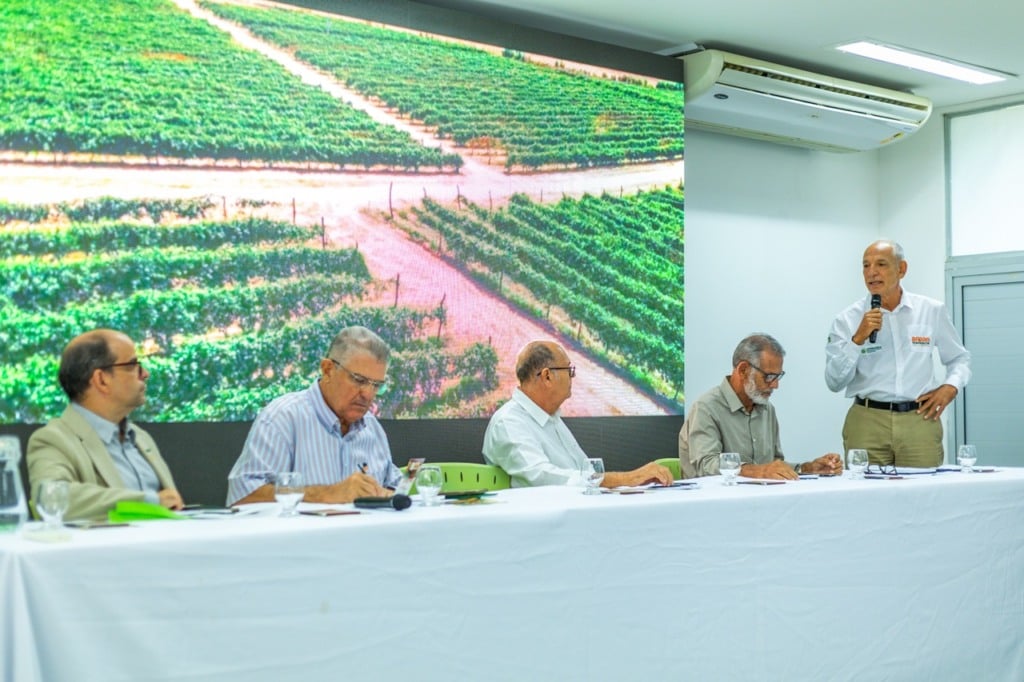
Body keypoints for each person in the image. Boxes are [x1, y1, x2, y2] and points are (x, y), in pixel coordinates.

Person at [825, 240, 971, 468]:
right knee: (866, 497)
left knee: (924, 496)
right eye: (865, 265)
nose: (871, 272)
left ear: (901, 269)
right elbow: (834, 381)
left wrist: (950, 387)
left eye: (881, 264)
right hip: (867, 420)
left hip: (919, 419)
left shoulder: (931, 310)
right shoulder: (847, 319)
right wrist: (857, 339)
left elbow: (959, 359)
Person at [227, 326, 401, 505]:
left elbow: (394, 487)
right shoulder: (282, 418)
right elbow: (241, 496)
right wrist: (326, 494)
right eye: (359, 380)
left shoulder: (372, 428)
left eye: (376, 385)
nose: (368, 394)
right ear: (327, 370)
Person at [26, 329, 184, 521]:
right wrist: (148, 502)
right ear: (101, 380)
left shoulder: (141, 438)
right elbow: (50, 498)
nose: (145, 374)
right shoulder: (53, 439)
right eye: (133, 365)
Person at [483, 340, 673, 488]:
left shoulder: (552, 419)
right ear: (547, 376)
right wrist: (628, 478)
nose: (572, 377)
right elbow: (544, 479)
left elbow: (587, 473)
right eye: (569, 370)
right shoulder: (509, 422)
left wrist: (630, 483)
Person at [680, 334, 842, 480]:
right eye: (769, 377)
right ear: (743, 370)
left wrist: (806, 468)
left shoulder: (767, 409)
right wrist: (756, 471)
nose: (775, 385)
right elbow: (705, 466)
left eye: (778, 376)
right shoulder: (706, 407)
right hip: (716, 505)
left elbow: (772, 465)